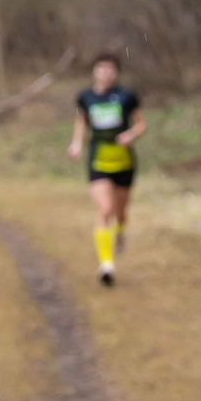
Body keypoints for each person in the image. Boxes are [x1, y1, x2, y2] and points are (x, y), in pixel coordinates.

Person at [67, 51, 144, 284]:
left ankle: (119, 231)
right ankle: (107, 265)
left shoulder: (126, 96)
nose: (106, 73)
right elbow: (81, 122)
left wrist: (130, 134)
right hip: (98, 160)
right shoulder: (85, 97)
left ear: (116, 73)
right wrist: (77, 143)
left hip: (124, 161)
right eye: (101, 69)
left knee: (120, 213)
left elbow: (141, 124)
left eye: (110, 69)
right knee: (105, 210)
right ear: (94, 71)